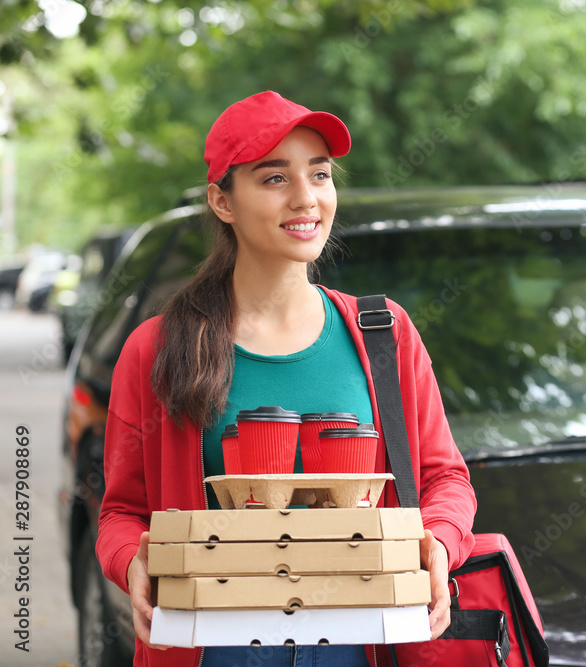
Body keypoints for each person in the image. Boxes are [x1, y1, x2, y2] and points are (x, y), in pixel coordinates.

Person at [97, 91, 477, 667]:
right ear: (222, 202)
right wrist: (134, 561)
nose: (306, 198)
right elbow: (121, 513)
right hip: (213, 652)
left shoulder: (384, 333)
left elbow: (445, 479)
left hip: (360, 649)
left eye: (319, 175)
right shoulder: (158, 347)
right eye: (274, 178)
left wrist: (441, 543)